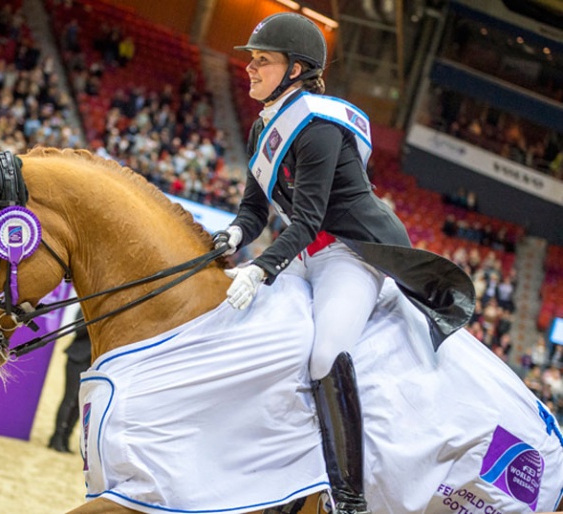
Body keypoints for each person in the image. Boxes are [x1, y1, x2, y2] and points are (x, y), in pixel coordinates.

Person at [214, 12, 474, 514]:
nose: (250, 68)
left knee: (324, 353)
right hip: (306, 253)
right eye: (252, 60)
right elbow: (253, 211)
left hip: (350, 253)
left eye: (262, 61)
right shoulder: (263, 128)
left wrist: (260, 267)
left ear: (295, 70)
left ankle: (347, 497)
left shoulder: (318, 126)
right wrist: (231, 236)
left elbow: (308, 220)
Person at [48, 308, 92, 453]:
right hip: (77, 357)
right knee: (70, 398)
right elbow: (78, 330)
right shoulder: (86, 306)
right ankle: (56, 437)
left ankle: (66, 438)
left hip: (93, 362)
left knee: (82, 403)